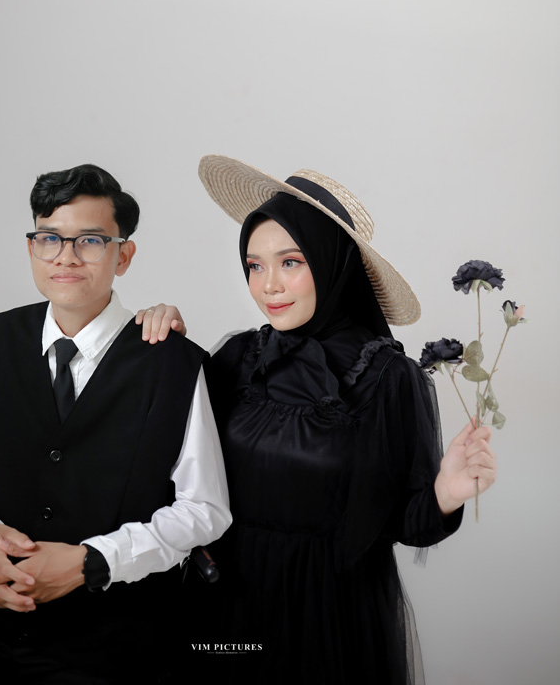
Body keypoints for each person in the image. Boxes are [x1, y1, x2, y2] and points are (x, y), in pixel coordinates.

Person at [139, 155, 497, 685]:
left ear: (332, 264)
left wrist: (446, 493)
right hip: (223, 603)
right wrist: (162, 349)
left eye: (290, 262)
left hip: (328, 616)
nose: (268, 286)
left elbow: (407, 524)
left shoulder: (386, 377)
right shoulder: (238, 359)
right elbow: (162, 465)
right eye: (254, 266)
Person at [0, 163, 230, 684]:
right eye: (49, 238)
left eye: (90, 241)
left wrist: (91, 562)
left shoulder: (174, 362)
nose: (65, 257)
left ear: (123, 256)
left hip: (110, 643)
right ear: (32, 247)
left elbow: (205, 509)